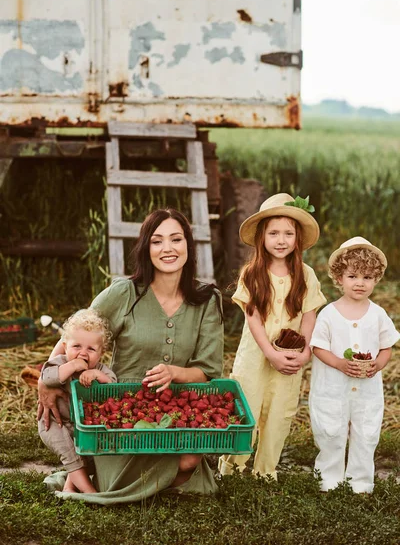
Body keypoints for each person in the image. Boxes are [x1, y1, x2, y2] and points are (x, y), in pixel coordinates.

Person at [38, 208, 224, 504]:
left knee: (188, 462)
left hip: (174, 409)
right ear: (145, 248)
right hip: (119, 411)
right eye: (157, 241)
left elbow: (209, 369)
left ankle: (127, 482)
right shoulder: (124, 293)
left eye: (176, 239)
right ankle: (115, 478)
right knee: (117, 481)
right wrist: (46, 382)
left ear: (188, 244)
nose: (167, 249)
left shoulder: (206, 300)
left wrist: (175, 372)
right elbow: (74, 336)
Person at [219, 193, 326, 479]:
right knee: (246, 408)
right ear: (262, 238)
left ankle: (265, 470)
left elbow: (309, 315)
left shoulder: (306, 275)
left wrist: (304, 353)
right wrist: (269, 352)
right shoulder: (252, 274)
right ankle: (232, 467)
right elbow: (252, 318)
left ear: (298, 238)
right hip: (256, 356)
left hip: (290, 356)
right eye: (274, 233)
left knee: (280, 413)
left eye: (288, 233)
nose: (281, 240)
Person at [309, 236, 399, 493]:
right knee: (330, 431)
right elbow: (317, 347)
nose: (360, 283)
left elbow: (386, 346)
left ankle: (360, 483)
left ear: (376, 279)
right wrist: (338, 362)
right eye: (352, 276)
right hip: (333, 387)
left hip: (367, 390)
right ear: (339, 278)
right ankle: (328, 480)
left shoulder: (378, 314)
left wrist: (378, 365)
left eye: (367, 277)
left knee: (366, 432)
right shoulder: (328, 313)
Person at [38, 308, 117, 493]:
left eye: (91, 349)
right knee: (70, 454)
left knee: (86, 454)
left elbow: (113, 385)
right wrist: (72, 365)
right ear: (65, 346)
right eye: (76, 347)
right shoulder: (59, 362)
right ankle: (90, 493)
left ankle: (70, 488)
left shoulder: (99, 369)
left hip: (80, 425)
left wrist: (97, 374)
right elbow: (47, 377)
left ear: (101, 353)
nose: (83, 353)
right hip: (54, 423)